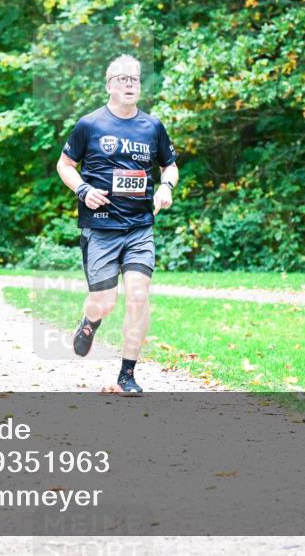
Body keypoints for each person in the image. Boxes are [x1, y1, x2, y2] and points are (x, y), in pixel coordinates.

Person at [56, 54, 178, 395]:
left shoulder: (152, 127)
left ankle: (127, 375)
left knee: (138, 296)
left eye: (135, 79)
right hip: (100, 228)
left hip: (139, 227)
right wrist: (83, 189)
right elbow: (64, 165)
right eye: (122, 79)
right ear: (109, 85)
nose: (129, 84)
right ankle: (89, 322)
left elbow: (169, 166)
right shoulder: (89, 125)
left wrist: (166, 187)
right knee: (105, 302)